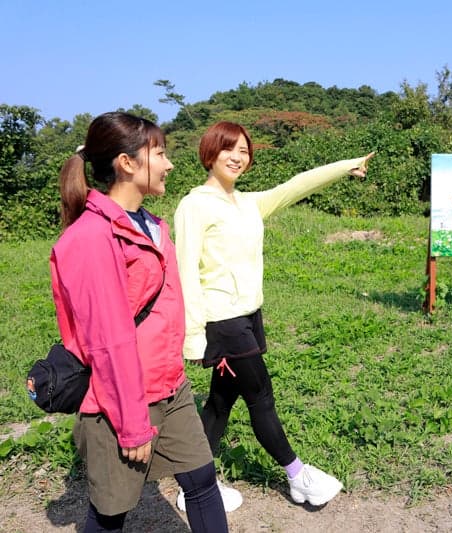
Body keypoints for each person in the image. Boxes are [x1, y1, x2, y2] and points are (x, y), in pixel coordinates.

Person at [174, 121, 374, 508]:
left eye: (244, 151)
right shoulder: (194, 205)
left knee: (220, 403)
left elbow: (294, 186)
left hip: (248, 315)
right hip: (222, 321)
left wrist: (344, 166)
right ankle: (298, 476)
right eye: (229, 149)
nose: (238, 157)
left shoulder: (247, 203)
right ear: (210, 153)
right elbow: (185, 272)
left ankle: (193, 487)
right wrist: (193, 337)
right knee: (261, 396)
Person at [51, 112, 229, 532]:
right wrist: (132, 425)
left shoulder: (151, 225)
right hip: (121, 399)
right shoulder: (91, 238)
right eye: (160, 154)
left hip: (169, 384)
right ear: (127, 163)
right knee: (110, 513)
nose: (169, 164)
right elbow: (107, 340)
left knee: (202, 481)